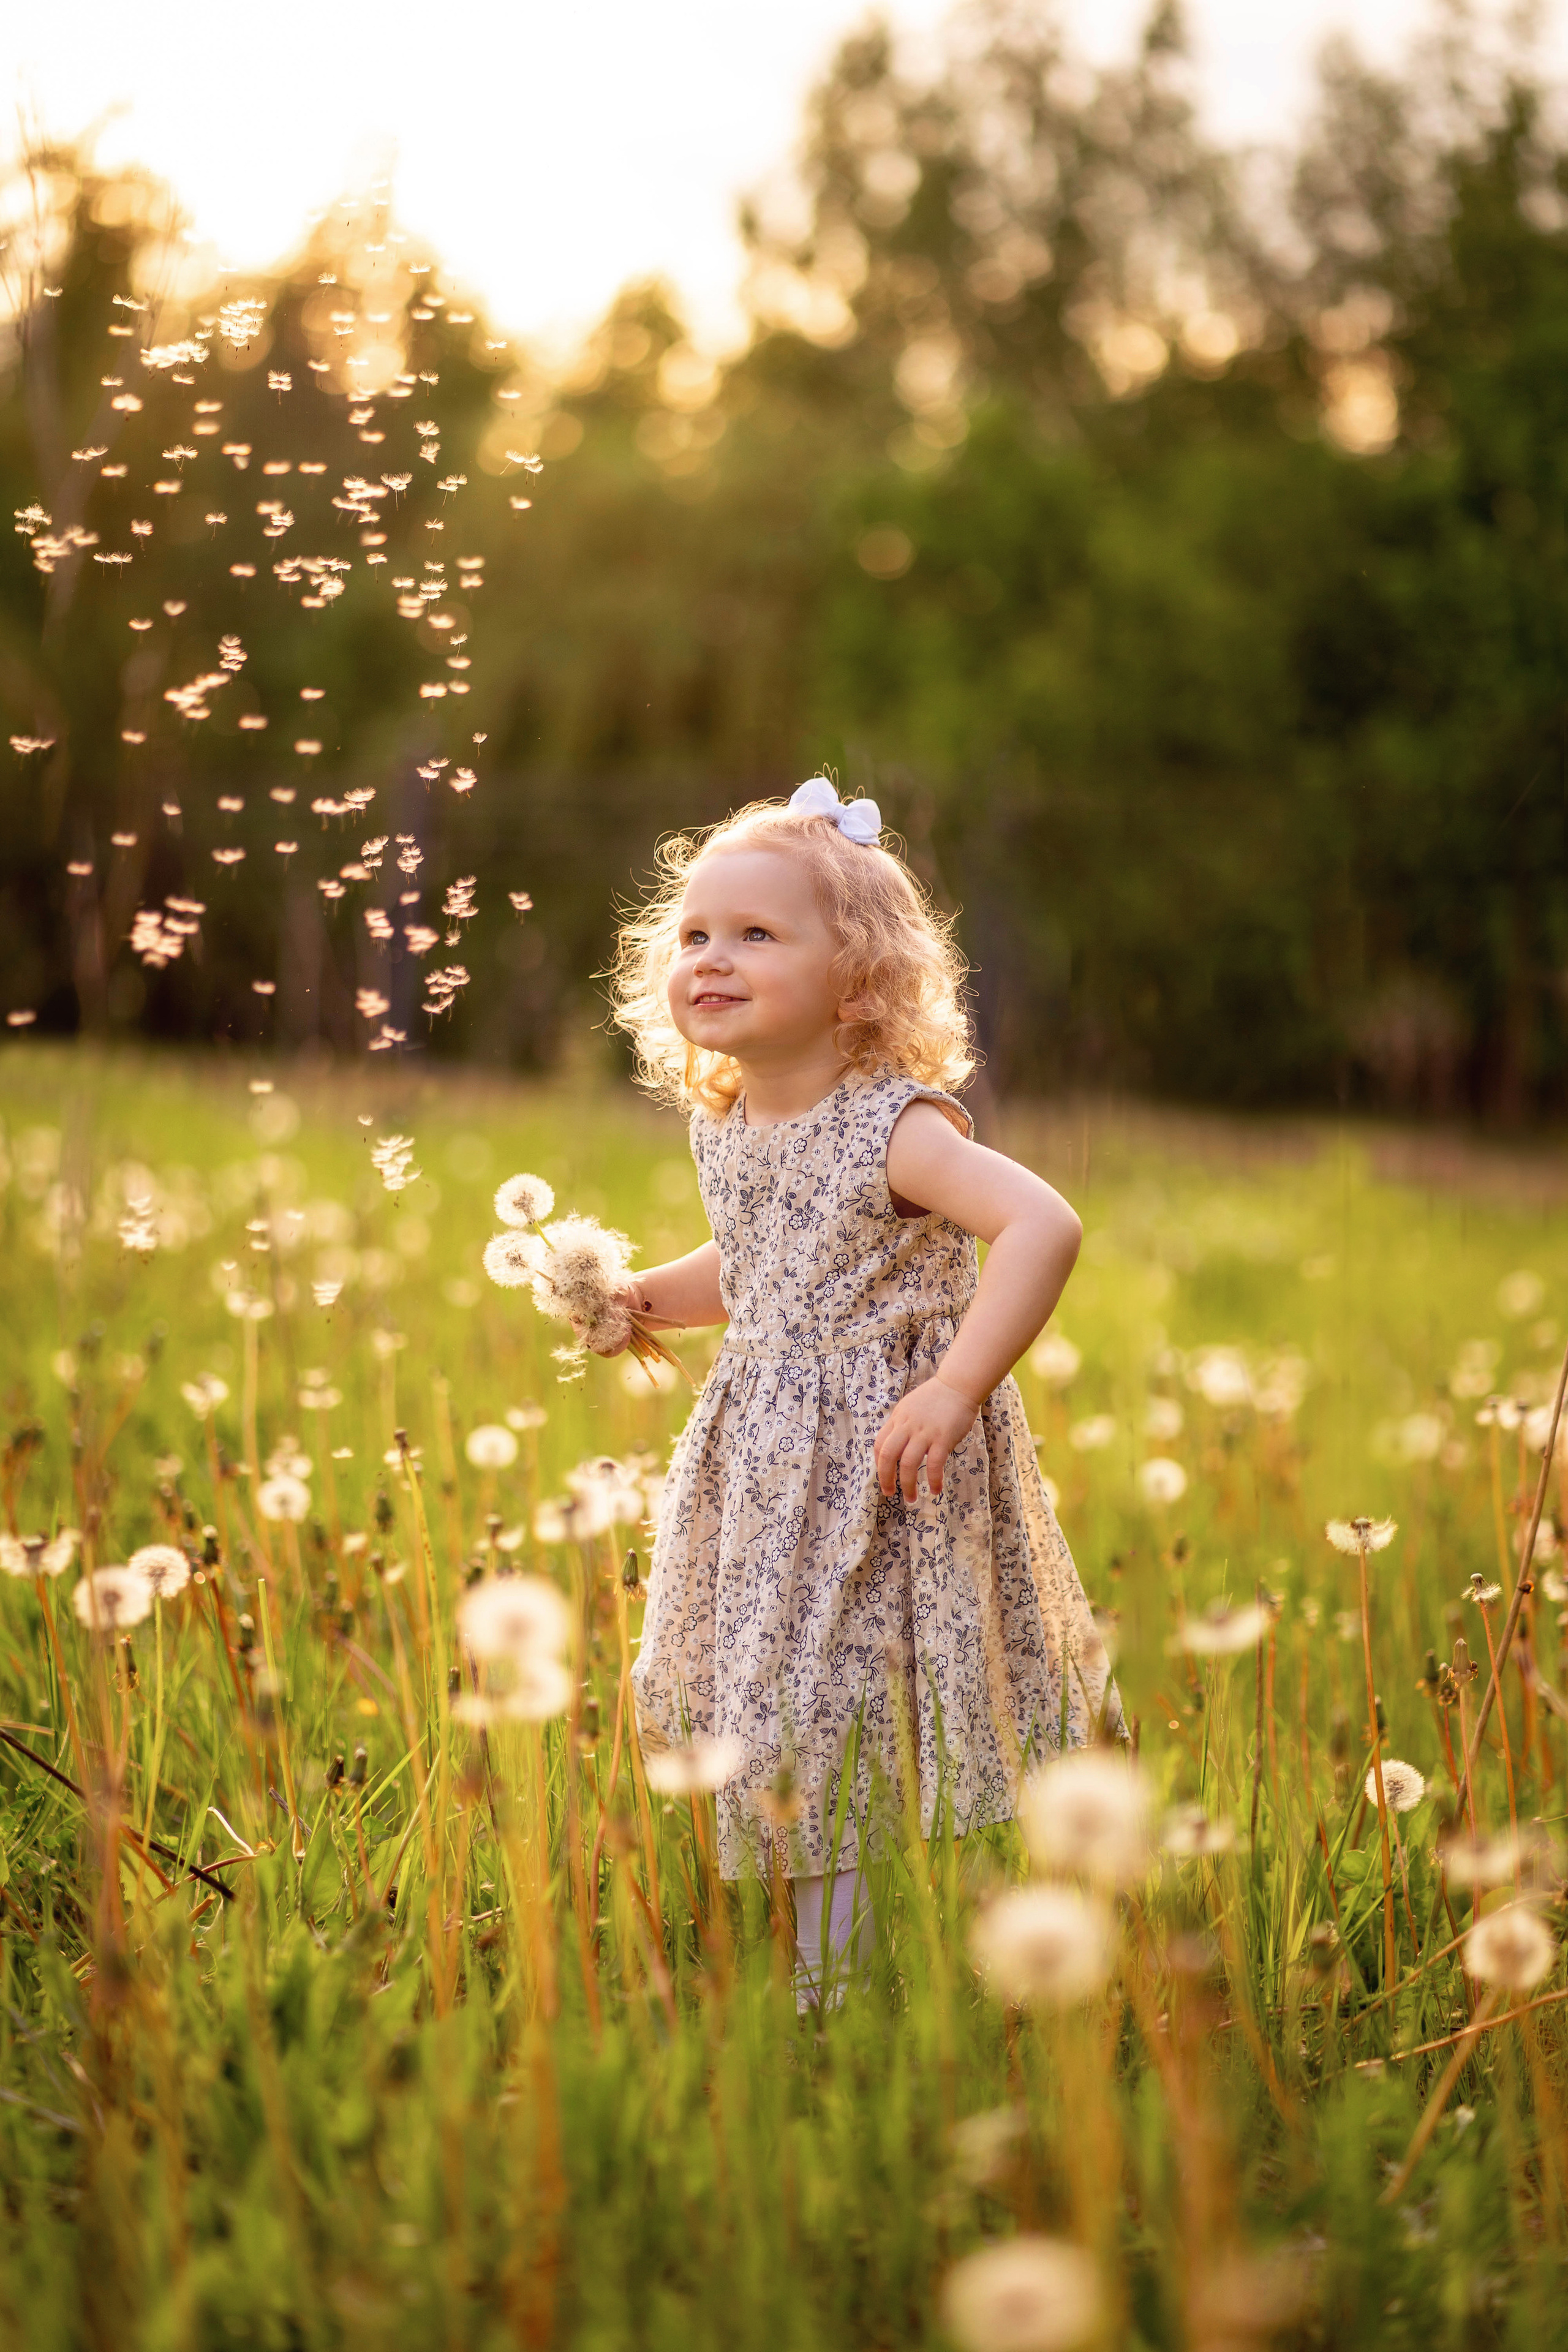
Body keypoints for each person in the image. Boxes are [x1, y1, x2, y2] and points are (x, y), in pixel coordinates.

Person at [597, 775, 1117, 2007]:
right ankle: (813, 1955)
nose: (712, 957)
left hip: (882, 1460)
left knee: (827, 1707)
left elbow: (1039, 1223)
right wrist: (646, 1300)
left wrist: (952, 1384)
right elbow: (766, 1258)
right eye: (694, 935)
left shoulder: (898, 1126)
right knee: (770, 1699)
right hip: (768, 1460)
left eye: (756, 934)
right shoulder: (731, 1121)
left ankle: (836, 1990)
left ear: (857, 976)